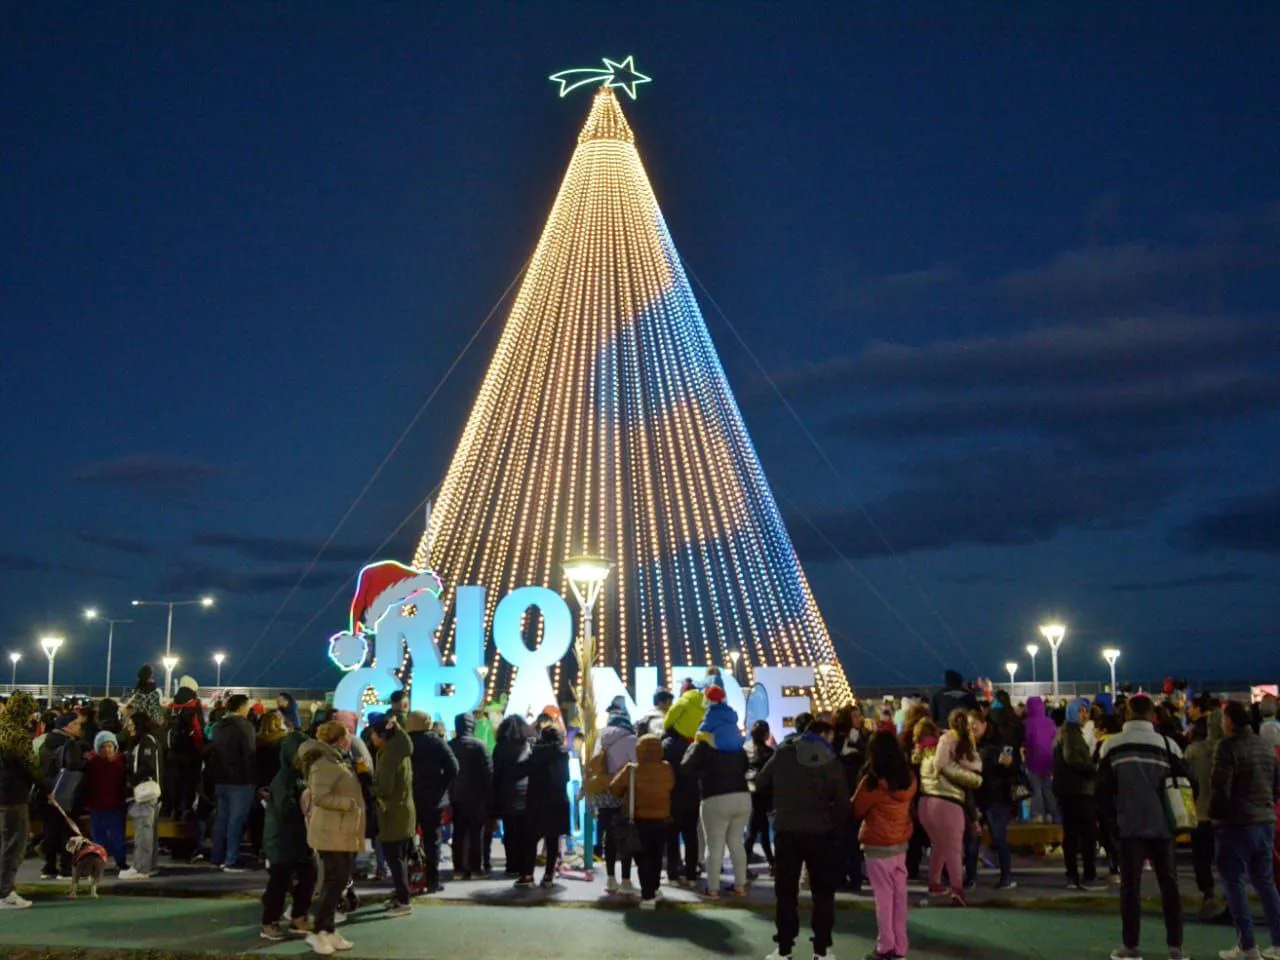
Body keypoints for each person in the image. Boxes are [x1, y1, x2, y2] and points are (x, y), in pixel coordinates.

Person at [1097, 694, 1186, 960]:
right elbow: (1187, 782)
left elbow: (1102, 792)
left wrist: (1112, 823)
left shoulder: (1112, 745)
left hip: (1129, 826)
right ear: (1152, 716)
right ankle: (1176, 947)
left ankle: (1131, 946)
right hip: (1164, 826)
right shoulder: (1169, 746)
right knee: (1169, 885)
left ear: (1127, 714)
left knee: (1130, 887)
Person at [757, 718, 848, 960]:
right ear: (823, 735)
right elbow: (842, 801)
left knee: (786, 892)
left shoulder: (783, 754)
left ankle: (784, 948)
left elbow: (761, 783)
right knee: (823, 893)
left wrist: (777, 806)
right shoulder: (830, 759)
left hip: (787, 830)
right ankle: (821, 949)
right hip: (821, 833)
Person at [1211, 699, 1280, 960]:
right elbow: (1276, 786)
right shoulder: (1266, 746)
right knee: (1265, 882)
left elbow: (1220, 787)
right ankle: (1278, 942)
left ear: (1229, 720)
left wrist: (1215, 816)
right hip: (1265, 821)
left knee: (1234, 883)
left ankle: (1248, 946)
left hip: (1236, 823)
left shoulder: (1227, 746)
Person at [299, 721, 363, 956]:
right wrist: (348, 804)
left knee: (339, 880)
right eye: (346, 736)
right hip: (330, 831)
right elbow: (320, 797)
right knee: (334, 881)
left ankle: (328, 929)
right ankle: (318, 931)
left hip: (340, 830)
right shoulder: (323, 763)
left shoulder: (335, 760)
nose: (350, 740)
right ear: (339, 740)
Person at [853, 730, 918, 960]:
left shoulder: (872, 783)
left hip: (878, 844)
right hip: (900, 842)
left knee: (883, 897)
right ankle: (900, 946)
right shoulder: (908, 778)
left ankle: (885, 945)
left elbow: (856, 809)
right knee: (900, 897)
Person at [683, 686, 751, 898]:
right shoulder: (737, 743)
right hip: (742, 797)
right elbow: (746, 766)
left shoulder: (704, 743)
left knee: (714, 846)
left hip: (715, 797)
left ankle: (712, 889)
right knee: (736, 843)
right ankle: (740, 885)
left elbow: (686, 767)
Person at [915, 708, 981, 905]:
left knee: (939, 845)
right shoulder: (946, 754)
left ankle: (935, 883)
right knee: (954, 850)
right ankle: (957, 890)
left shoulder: (923, 756)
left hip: (925, 805)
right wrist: (976, 778)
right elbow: (961, 775)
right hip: (948, 804)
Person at [260, 731, 316, 942]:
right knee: (279, 882)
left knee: (308, 876)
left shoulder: (301, 777)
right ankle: (269, 922)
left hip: (299, 838)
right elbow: (286, 810)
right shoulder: (283, 780)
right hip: (281, 839)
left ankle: (299, 916)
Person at [608, 732, 674, 909]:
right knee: (657, 855)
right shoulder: (667, 768)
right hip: (662, 819)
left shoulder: (631, 770)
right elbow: (671, 786)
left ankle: (647, 896)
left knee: (643, 858)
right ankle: (655, 889)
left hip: (638, 820)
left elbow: (614, 789)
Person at [405, 711, 457, 893]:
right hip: (433, 798)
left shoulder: (405, 742)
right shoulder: (436, 741)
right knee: (432, 840)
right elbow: (453, 767)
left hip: (408, 797)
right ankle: (433, 880)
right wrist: (442, 785)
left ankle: (409, 879)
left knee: (407, 838)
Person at [368, 715, 415, 915]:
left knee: (395, 859)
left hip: (393, 813)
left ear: (382, 736)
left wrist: (367, 782)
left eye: (373, 734)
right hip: (404, 811)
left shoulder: (388, 756)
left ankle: (404, 901)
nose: (371, 737)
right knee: (399, 857)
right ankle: (401, 896)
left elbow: (385, 788)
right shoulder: (399, 751)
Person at [1185, 697, 1227, 920]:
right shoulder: (1236, 749)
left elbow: (1186, 779)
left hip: (1201, 813)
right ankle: (1230, 900)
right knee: (1229, 862)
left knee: (1201, 859)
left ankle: (1208, 895)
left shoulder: (1194, 751)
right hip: (1229, 817)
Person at [1054, 697, 1102, 891]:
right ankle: (1087, 876)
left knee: (1073, 835)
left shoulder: (1066, 731)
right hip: (1078, 790)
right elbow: (1072, 757)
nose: (1085, 715)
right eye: (1081, 711)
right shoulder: (1071, 732)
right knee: (1086, 834)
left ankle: (1073, 875)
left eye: (1086, 711)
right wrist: (1091, 768)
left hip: (1069, 790)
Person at [0, 691, 40, 909]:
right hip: (13, 796)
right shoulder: (18, 734)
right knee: (14, 845)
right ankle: (5, 892)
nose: (32, 717)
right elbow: (30, 765)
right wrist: (46, 786)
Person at [595, 699, 639, 895]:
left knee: (609, 838)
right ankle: (626, 881)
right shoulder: (631, 738)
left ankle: (610, 879)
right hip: (623, 795)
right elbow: (635, 767)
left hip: (603, 794)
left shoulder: (600, 737)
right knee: (626, 837)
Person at [663, 687, 704, 887]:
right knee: (691, 837)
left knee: (672, 837)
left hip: (672, 796)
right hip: (693, 795)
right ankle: (691, 875)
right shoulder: (697, 744)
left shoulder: (667, 744)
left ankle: (672, 875)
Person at [210, 693, 257, 872]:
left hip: (220, 778)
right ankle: (231, 860)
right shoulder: (245, 726)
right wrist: (253, 780)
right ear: (242, 707)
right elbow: (249, 754)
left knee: (222, 819)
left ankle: (217, 857)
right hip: (240, 781)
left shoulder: (219, 726)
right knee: (236, 821)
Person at [39, 712, 86, 879]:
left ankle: (49, 867)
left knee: (50, 830)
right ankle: (65, 868)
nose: (79, 727)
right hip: (66, 792)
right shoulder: (69, 743)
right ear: (68, 726)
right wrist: (85, 762)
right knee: (68, 830)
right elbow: (73, 765)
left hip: (47, 792)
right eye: (77, 724)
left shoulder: (45, 743)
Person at [447, 711, 492, 880]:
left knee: (458, 833)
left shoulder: (450, 745)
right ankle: (475, 868)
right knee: (476, 833)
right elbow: (489, 771)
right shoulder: (479, 746)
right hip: (476, 797)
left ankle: (458, 868)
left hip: (456, 796)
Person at [493, 714, 536, 887]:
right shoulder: (528, 746)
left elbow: (496, 772)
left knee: (510, 832)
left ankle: (511, 865)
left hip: (506, 794)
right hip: (526, 794)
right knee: (524, 833)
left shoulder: (500, 747)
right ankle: (523, 867)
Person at [529, 722, 571, 889]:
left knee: (532, 838)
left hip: (537, 800)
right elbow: (565, 778)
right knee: (552, 840)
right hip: (557, 800)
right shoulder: (563, 754)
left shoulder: (535, 753)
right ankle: (548, 876)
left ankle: (528, 874)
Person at [121, 711, 162, 880]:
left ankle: (141, 867)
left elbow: (147, 767)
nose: (128, 727)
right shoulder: (148, 741)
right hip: (151, 792)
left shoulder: (146, 742)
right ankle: (149, 865)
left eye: (131, 724)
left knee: (143, 830)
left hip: (145, 792)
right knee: (149, 831)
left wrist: (131, 780)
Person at [837, 704, 872, 893]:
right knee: (849, 838)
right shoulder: (843, 738)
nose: (859, 720)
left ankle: (853, 874)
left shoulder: (861, 736)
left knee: (851, 837)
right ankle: (852, 875)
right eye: (855, 716)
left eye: (859, 716)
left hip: (854, 791)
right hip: (848, 792)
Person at [84, 731, 128, 872]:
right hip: (97, 806)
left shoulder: (121, 762)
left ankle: (121, 862)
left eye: (109, 746)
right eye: (103, 746)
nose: (107, 749)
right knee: (99, 837)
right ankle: (100, 863)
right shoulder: (92, 763)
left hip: (116, 806)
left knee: (117, 836)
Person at [163, 677, 205, 822]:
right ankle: (185, 810)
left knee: (174, 782)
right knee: (189, 782)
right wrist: (201, 749)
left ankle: (173, 810)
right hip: (189, 752)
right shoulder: (194, 705)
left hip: (172, 752)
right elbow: (198, 730)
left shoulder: (172, 706)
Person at [745, 720, 776, 872]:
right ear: (766, 735)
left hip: (751, 796)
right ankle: (772, 863)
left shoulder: (745, 751)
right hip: (766, 797)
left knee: (756, 831)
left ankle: (771, 862)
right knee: (758, 832)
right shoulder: (770, 753)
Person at [1023, 696, 1058, 823]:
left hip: (1033, 760)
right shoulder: (1050, 722)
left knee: (1036, 789)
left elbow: (1025, 741)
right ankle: (1051, 813)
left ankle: (1037, 814)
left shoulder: (1027, 723)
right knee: (1048, 789)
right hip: (1048, 760)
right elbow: (1054, 738)